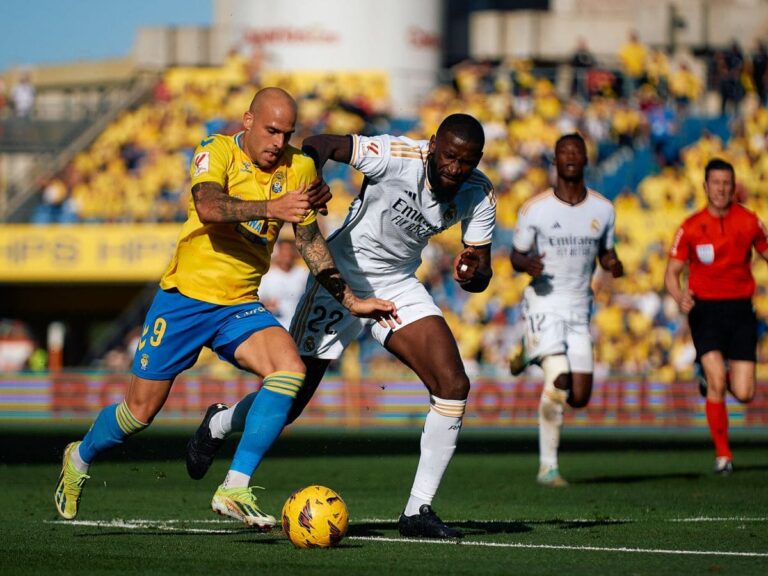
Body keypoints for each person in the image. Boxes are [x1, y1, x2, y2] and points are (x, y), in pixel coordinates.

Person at [53, 87, 398, 527]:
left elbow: (310, 244)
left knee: (289, 369)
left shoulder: (300, 168)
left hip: (237, 305)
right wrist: (274, 206)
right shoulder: (215, 150)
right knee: (137, 414)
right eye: (271, 130)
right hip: (184, 300)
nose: (278, 142)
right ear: (248, 121)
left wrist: (352, 300)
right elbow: (208, 206)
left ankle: (235, 486)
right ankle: (78, 457)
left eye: (287, 134)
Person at [185, 113, 496, 539]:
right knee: (289, 403)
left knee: (453, 384)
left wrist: (472, 273)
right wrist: (308, 180)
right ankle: (219, 423)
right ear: (433, 144)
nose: (455, 169)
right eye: (448, 156)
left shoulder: (479, 194)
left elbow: (480, 271)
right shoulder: (395, 154)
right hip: (339, 276)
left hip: (396, 285)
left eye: (466, 162)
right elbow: (323, 142)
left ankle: (417, 510)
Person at [510, 133, 623, 487]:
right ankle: (548, 468)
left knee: (580, 396)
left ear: (586, 159)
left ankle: (529, 351)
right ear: (555, 161)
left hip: (579, 309)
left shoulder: (603, 209)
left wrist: (613, 262)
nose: (571, 157)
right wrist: (527, 263)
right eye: (564, 152)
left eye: (577, 151)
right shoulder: (535, 209)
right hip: (544, 302)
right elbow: (515, 255)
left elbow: (606, 251)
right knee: (558, 379)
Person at [664, 158, 768, 475]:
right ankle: (723, 455)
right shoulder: (691, 227)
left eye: (727, 183)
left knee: (746, 392)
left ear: (733, 186)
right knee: (718, 381)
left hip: (740, 311)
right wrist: (678, 294)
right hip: (705, 310)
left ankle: (708, 379)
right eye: (716, 183)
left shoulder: (750, 221)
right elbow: (672, 273)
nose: (721, 189)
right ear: (705, 187)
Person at [257, 236, 308, 329]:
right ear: (278, 253)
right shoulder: (267, 275)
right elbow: (257, 299)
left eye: (289, 250)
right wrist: (266, 304)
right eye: (284, 251)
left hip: (298, 324)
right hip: (275, 324)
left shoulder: (303, 274)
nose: (287, 254)